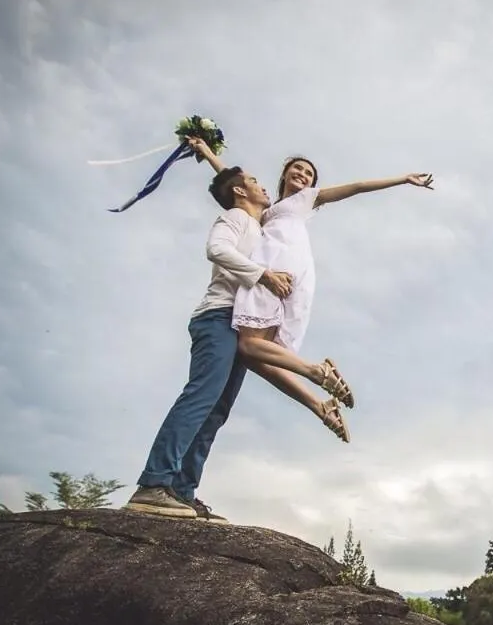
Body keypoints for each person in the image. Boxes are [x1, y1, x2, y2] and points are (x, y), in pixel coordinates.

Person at [188, 137, 433, 444]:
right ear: (283, 174)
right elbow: (235, 183)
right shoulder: (266, 210)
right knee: (254, 354)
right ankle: (320, 405)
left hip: (280, 268)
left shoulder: (305, 200)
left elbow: (357, 186)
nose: (303, 175)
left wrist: (402, 179)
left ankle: (319, 373)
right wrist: (207, 152)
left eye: (308, 174)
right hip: (271, 268)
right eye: (298, 169)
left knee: (248, 346)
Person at [124, 142, 294, 521]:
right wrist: (264, 276)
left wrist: (208, 152)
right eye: (255, 181)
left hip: (240, 326)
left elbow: (230, 179)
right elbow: (216, 249)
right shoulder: (234, 217)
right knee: (201, 398)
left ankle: (182, 492)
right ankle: (154, 483)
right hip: (217, 317)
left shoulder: (257, 225)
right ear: (240, 192)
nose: (263, 185)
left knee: (216, 412)